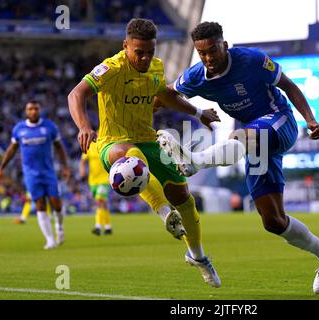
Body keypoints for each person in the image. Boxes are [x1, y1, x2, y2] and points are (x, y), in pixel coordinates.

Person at [157, 21, 319, 294]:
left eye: (213, 50)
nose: (208, 58)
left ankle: (193, 161)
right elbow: (167, 96)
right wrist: (142, 112)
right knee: (273, 221)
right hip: (254, 142)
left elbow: (289, 86)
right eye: (202, 53)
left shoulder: (253, 60)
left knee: (242, 136)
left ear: (225, 45)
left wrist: (310, 119)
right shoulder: (196, 76)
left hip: (279, 121)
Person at [67, 18, 222, 287]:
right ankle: (163, 213)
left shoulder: (157, 68)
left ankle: (197, 256)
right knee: (130, 159)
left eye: (150, 51)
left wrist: (199, 113)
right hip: (112, 143)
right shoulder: (111, 68)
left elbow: (165, 97)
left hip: (148, 140)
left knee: (184, 198)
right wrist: (83, 126)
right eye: (139, 52)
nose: (145, 58)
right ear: (126, 45)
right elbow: (76, 95)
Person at [0, 100, 70, 249]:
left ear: (40, 110)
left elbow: (59, 147)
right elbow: (12, 149)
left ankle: (59, 227)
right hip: (30, 173)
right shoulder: (19, 129)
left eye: (36, 108)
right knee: (40, 204)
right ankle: (50, 240)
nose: (33, 111)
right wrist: (1, 167)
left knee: (56, 203)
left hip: (48, 172)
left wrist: (65, 166)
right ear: (26, 111)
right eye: (30, 109)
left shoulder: (49, 127)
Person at [79, 140, 113, 235]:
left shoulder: (105, 145)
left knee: (99, 201)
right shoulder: (90, 146)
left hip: (104, 180)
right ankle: (108, 227)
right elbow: (83, 160)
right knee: (103, 204)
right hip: (93, 181)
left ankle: (97, 226)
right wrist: (82, 171)